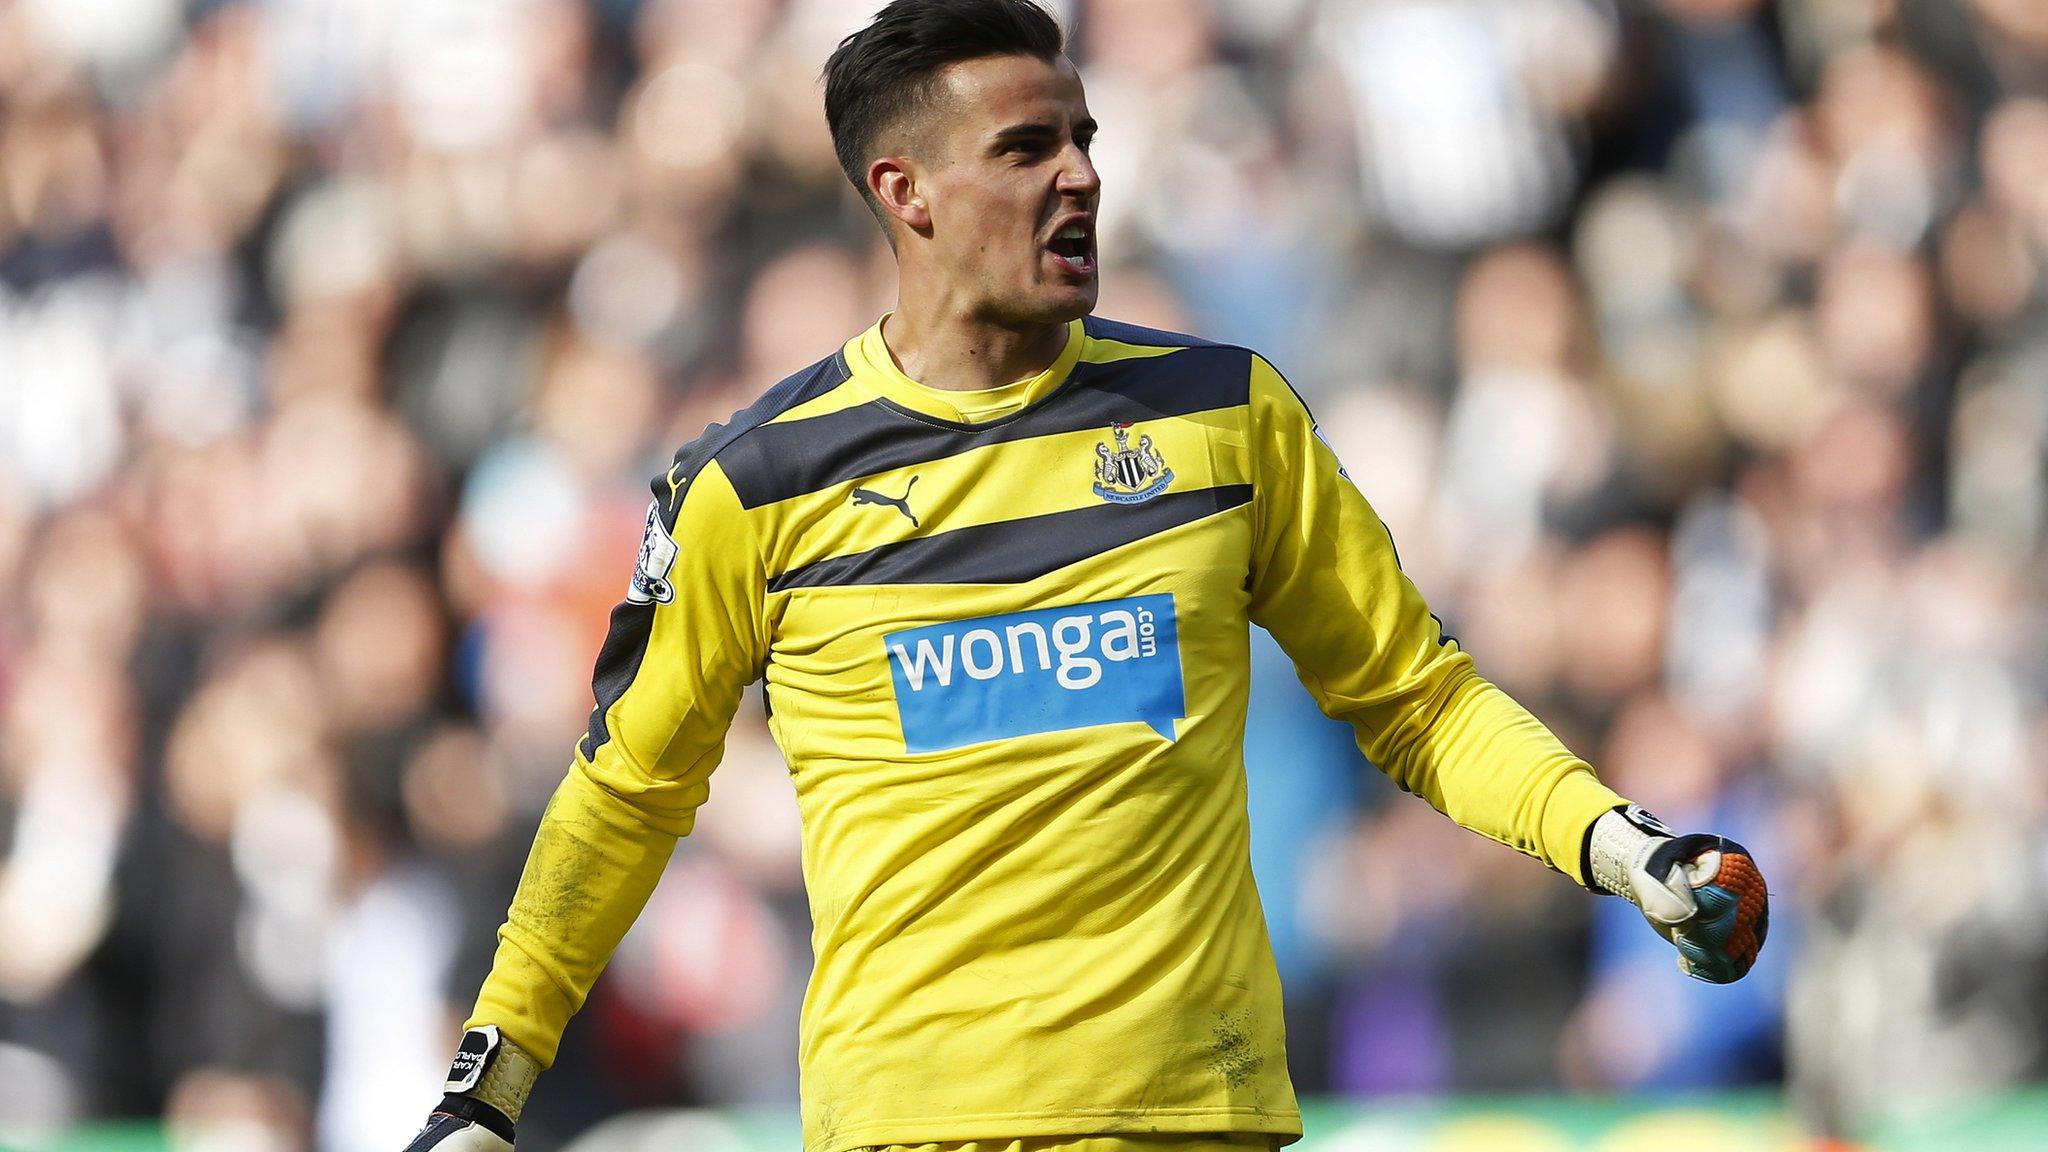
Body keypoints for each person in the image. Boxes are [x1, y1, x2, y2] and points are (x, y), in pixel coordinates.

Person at [401, 3, 1769, 1150]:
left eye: (1083, 139)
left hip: (1197, 1120)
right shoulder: (757, 485)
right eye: (1026, 147)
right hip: (911, 1132)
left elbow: (1417, 698)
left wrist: (1618, 842)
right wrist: (492, 1084)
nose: (1080, 176)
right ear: (907, 193)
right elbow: (624, 797)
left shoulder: (1224, 418)